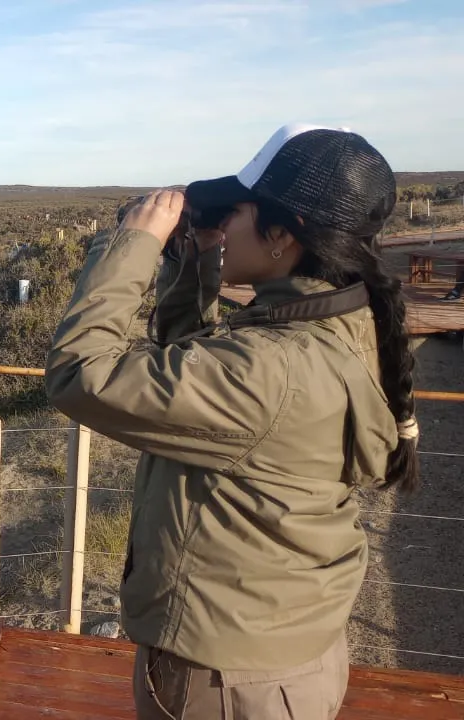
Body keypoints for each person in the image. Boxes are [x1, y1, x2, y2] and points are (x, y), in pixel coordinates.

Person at [44, 124, 420, 720]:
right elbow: (204, 393)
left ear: (282, 235)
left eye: (234, 211)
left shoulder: (275, 367)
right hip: (275, 649)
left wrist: (133, 244)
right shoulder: (339, 322)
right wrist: (194, 265)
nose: (220, 224)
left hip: (226, 685)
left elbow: (79, 373)